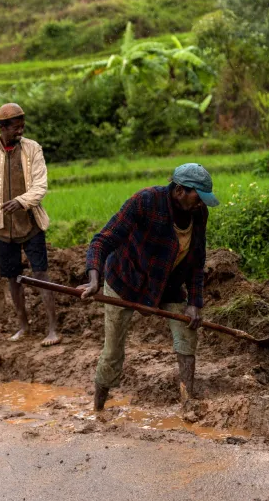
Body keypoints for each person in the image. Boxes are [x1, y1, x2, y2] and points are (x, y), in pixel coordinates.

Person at [80, 164, 218, 411]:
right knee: (112, 351)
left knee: (187, 334)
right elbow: (102, 240)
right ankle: (98, 409)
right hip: (126, 280)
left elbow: (197, 260)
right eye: (198, 197)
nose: (201, 203)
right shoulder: (145, 202)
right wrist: (93, 279)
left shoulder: (199, 213)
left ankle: (188, 403)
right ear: (179, 191)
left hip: (168, 283)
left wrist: (195, 303)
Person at [0, 103, 59, 345]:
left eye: (22, 127)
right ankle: (23, 326)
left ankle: (52, 329)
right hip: (2, 227)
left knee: (41, 274)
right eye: (16, 128)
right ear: (2, 127)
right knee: (12, 277)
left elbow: (40, 186)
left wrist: (21, 201)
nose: (20, 131)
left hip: (30, 223)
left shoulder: (32, 149)